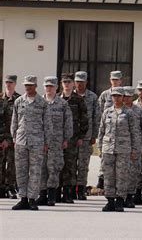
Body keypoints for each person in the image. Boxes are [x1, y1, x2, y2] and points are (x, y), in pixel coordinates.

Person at [11, 75, 53, 210]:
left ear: (35, 86)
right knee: (21, 171)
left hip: (37, 141)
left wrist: (47, 142)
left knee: (35, 171)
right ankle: (23, 198)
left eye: (30, 85)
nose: (28, 87)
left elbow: (47, 124)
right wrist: (14, 138)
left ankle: (32, 199)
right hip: (21, 141)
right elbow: (14, 121)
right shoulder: (18, 101)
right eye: (26, 85)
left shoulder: (42, 102)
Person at [97, 87, 140, 212]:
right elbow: (102, 131)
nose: (116, 98)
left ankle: (120, 200)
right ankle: (110, 200)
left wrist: (135, 150)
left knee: (122, 175)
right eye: (114, 96)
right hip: (108, 149)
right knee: (108, 175)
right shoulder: (107, 112)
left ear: (123, 97)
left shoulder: (129, 113)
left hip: (124, 149)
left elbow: (135, 133)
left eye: (118, 96)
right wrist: (100, 148)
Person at [37, 77, 73, 206]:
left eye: (51, 86)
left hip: (56, 142)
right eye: (47, 86)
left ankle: (52, 195)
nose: (49, 88)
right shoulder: (38, 102)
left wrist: (66, 139)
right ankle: (42, 194)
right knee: (41, 168)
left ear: (56, 87)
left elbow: (68, 122)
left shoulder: (62, 104)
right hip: (40, 141)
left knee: (53, 168)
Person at [58, 73, 88, 203]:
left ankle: (68, 193)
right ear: (61, 84)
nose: (67, 84)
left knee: (70, 166)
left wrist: (81, 136)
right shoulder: (57, 99)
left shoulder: (79, 99)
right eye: (64, 82)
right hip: (57, 139)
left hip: (73, 138)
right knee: (57, 165)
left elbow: (84, 120)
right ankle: (56, 192)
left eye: (69, 82)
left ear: (73, 84)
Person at [74, 71, 100, 200]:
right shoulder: (69, 96)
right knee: (71, 165)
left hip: (86, 137)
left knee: (83, 165)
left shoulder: (93, 97)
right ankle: (71, 189)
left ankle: (81, 189)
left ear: (86, 82)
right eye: (77, 81)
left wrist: (94, 135)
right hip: (72, 137)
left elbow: (96, 117)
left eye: (82, 81)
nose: (79, 84)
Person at [96, 71, 123, 189]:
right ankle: (102, 180)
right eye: (113, 79)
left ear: (121, 80)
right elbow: (99, 112)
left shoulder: (124, 94)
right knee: (105, 157)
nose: (115, 81)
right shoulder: (104, 95)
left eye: (117, 79)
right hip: (107, 129)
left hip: (121, 132)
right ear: (110, 80)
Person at [123, 85, 142, 208]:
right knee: (121, 173)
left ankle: (129, 197)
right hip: (120, 147)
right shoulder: (117, 110)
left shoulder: (139, 111)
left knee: (133, 173)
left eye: (128, 96)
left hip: (135, 147)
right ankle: (119, 197)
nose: (126, 99)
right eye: (124, 96)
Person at [1, 75, 21, 199]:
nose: (8, 84)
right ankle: (1, 188)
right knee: (1, 164)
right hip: (1, 138)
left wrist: (13, 139)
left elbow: (21, 120)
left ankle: (11, 187)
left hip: (14, 138)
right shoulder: (0, 99)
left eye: (11, 82)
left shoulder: (19, 99)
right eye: (7, 82)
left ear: (15, 84)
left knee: (12, 164)